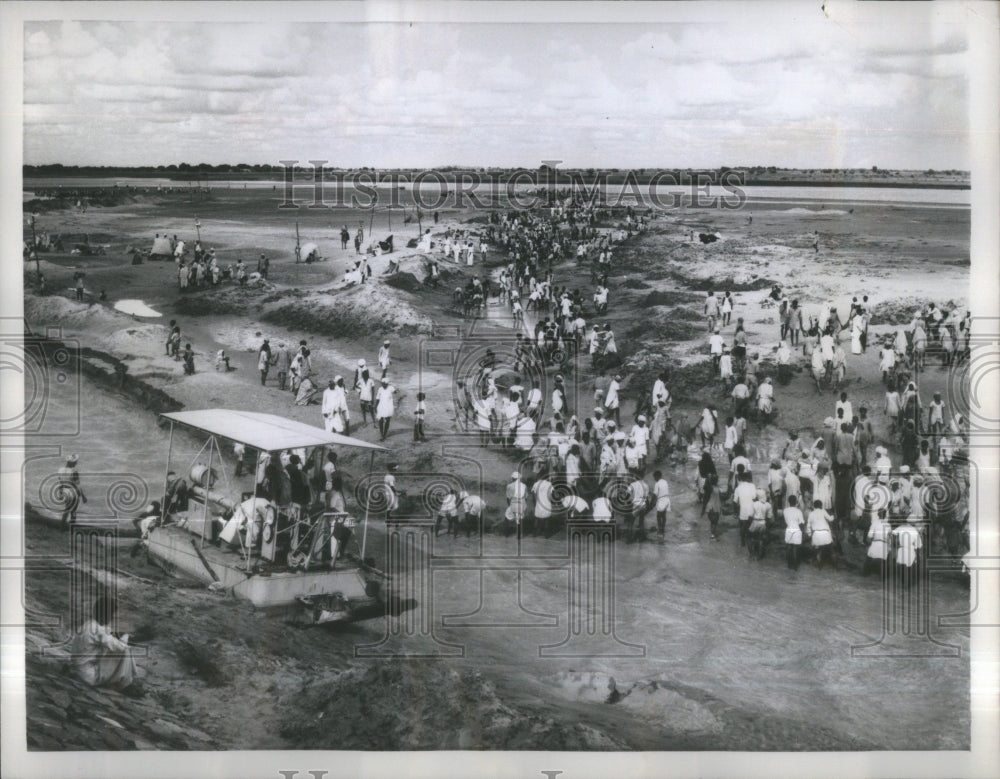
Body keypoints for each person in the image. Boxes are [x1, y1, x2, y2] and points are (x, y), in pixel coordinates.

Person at [71, 595, 138, 692]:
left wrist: (120, 635)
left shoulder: (88, 624)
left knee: (114, 646)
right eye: (111, 615)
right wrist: (127, 637)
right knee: (124, 650)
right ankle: (125, 684)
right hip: (89, 676)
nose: (111, 619)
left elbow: (107, 635)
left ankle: (127, 680)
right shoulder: (98, 630)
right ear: (105, 615)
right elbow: (118, 646)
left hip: (79, 669)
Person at [57, 454, 87, 524]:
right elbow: (78, 485)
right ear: (72, 463)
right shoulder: (74, 472)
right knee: (73, 511)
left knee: (66, 509)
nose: (76, 463)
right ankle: (71, 527)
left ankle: (62, 526)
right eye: (75, 462)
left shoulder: (60, 470)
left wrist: (60, 493)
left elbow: (60, 483)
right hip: (72, 492)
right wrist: (83, 496)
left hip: (65, 491)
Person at [806, 499, 836, 569]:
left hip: (816, 535)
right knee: (831, 549)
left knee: (818, 549)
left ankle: (819, 561)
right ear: (821, 506)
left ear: (814, 506)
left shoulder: (811, 513)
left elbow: (808, 526)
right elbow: (830, 519)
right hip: (825, 534)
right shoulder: (823, 511)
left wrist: (810, 535)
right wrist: (833, 515)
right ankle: (834, 563)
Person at [732, 472, 757, 548]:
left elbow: (735, 501)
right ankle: (751, 541)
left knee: (742, 526)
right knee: (750, 526)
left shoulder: (738, 488)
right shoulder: (752, 486)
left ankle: (742, 542)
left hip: (743, 510)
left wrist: (735, 512)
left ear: (739, 479)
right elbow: (754, 498)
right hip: (752, 509)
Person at [783, 494, 804, 570]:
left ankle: (789, 564)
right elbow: (801, 523)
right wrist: (802, 532)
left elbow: (785, 521)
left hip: (789, 529)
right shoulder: (798, 511)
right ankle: (795, 565)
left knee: (788, 547)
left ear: (789, 502)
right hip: (796, 529)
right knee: (795, 548)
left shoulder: (785, 511)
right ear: (796, 502)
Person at [504, 471, 526, 537]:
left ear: (513, 478)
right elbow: (525, 497)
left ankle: (506, 534)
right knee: (520, 518)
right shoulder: (524, 485)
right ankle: (519, 535)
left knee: (507, 517)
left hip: (513, 503)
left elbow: (508, 497)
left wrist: (509, 505)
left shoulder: (509, 486)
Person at [375, 376, 396, 441]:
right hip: (381, 406)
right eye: (382, 384)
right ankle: (382, 435)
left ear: (387, 384)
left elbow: (396, 392)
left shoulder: (390, 388)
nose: (383, 385)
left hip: (388, 406)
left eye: (385, 384)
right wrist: (375, 406)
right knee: (380, 420)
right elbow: (378, 398)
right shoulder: (380, 389)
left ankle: (385, 433)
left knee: (387, 420)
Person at [652, 470, 670, 536]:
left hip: (661, 500)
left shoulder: (657, 483)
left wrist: (652, 502)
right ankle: (663, 528)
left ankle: (660, 529)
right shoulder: (665, 481)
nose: (654, 479)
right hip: (667, 499)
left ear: (657, 477)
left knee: (658, 516)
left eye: (654, 477)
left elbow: (655, 494)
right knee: (664, 515)